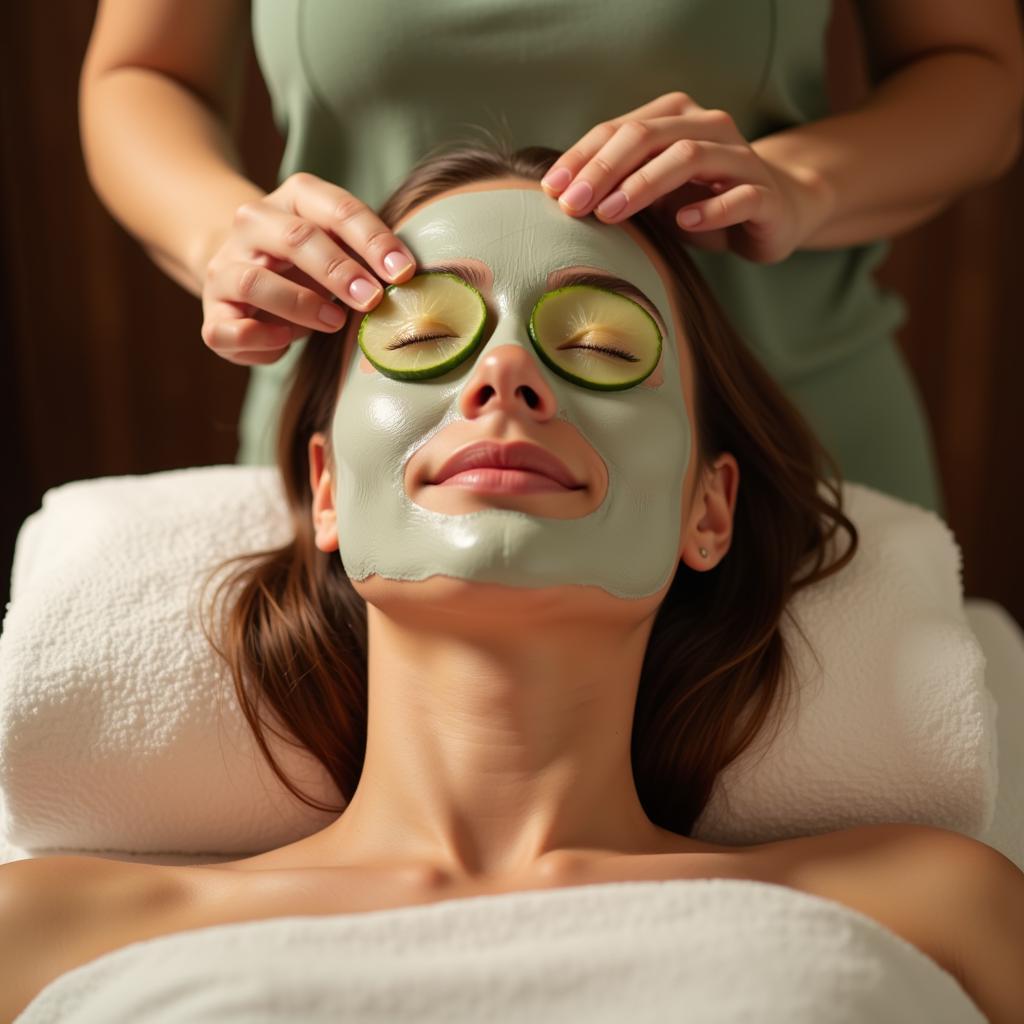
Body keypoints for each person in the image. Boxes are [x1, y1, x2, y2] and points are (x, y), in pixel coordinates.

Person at [3, 144, 1023, 1024]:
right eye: (418, 340)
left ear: (704, 510)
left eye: (600, 347)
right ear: (325, 489)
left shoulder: (938, 906)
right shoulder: (45, 927)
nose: (502, 374)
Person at [78, 1, 1024, 519]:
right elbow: (142, 70)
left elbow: (974, 66)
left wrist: (801, 182)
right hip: (382, 439)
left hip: (785, 441)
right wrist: (220, 234)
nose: (506, 380)